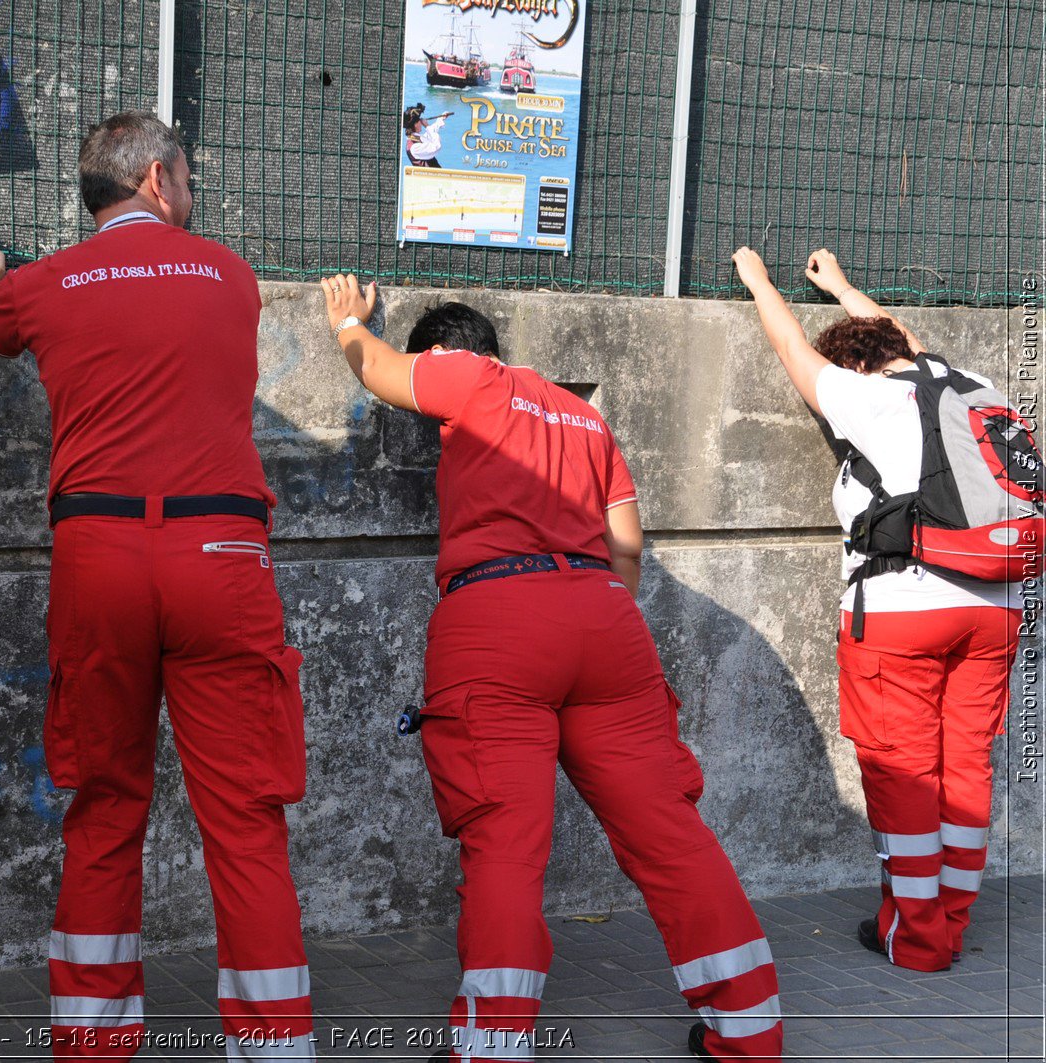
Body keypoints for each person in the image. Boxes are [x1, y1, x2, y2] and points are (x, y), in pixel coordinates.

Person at [318, 277, 783, 1061]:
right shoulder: (584, 414)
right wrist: (593, 611)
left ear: (446, 354)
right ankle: (750, 1028)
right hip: (606, 619)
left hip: (497, 619)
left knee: (505, 843)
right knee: (669, 830)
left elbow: (377, 370)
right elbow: (627, 546)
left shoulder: (467, 376)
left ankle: (494, 1046)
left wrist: (349, 328)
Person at [0, 112, 315, 1061]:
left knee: (105, 806)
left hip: (98, 551)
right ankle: (276, 1047)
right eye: (186, 177)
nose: (193, 194)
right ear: (157, 180)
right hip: (223, 556)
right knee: (244, 815)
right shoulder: (229, 275)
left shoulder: (45, 286)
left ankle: (94, 1042)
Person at [733, 246, 1029, 973]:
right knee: (965, 768)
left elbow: (790, 348)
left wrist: (758, 279)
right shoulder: (970, 385)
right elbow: (905, 340)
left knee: (901, 772)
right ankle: (950, 924)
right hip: (997, 603)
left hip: (902, 605)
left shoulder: (864, 394)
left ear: (857, 365)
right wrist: (838, 286)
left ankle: (919, 941)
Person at [405, 102, 448, 167]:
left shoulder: (414, 137)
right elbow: (436, 146)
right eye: (420, 121)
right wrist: (427, 126)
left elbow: (429, 135)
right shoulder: (414, 147)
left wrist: (441, 118)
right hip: (429, 176)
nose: (421, 123)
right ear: (416, 124)